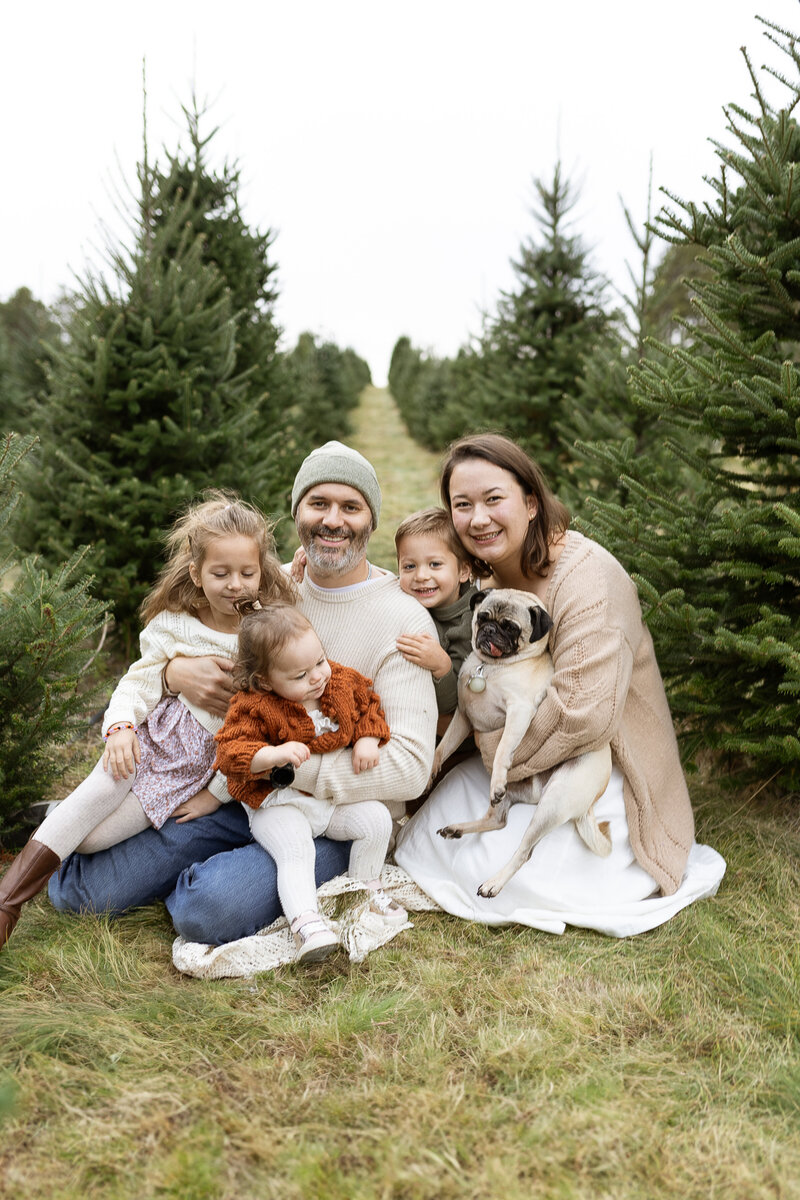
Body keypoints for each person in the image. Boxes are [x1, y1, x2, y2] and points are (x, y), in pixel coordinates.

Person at [47, 442, 437, 946]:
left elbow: (409, 767)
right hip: (235, 793)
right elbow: (191, 631)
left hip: (330, 811)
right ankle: (89, 828)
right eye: (318, 503)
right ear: (297, 514)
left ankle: (206, 870)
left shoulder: (402, 619)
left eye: (351, 507)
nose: (333, 521)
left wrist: (283, 767)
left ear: (371, 520)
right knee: (79, 893)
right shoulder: (273, 592)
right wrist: (173, 674)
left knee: (204, 910)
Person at [394, 433, 726, 937]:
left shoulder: (589, 578)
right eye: (462, 505)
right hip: (514, 745)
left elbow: (583, 714)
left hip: (598, 755)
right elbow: (415, 580)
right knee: (430, 845)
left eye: (493, 499)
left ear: (531, 502)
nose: (477, 518)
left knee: (540, 880)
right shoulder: (487, 579)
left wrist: (490, 748)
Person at [0, 491, 296, 950]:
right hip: (148, 740)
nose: (235, 585)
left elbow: (256, 730)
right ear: (196, 573)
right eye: (220, 573)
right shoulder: (175, 624)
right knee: (103, 786)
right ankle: (7, 904)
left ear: (263, 572)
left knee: (92, 840)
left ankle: (60, 817)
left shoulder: (265, 635)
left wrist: (213, 796)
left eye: (247, 573)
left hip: (190, 771)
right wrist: (119, 727)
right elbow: (138, 683)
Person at [215, 602, 407, 962]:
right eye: (301, 675)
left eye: (319, 661)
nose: (318, 677)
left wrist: (367, 737)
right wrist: (270, 755)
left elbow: (369, 705)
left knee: (377, 820)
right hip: (277, 804)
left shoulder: (340, 681)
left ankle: (365, 890)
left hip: (326, 803)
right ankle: (306, 924)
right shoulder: (253, 705)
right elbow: (229, 753)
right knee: (297, 850)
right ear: (265, 681)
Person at [394, 507, 478, 724]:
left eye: (435, 564)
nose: (421, 576)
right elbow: (377, 582)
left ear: (463, 571)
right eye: (409, 566)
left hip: (453, 733)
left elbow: (453, 703)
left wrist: (442, 666)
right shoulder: (407, 596)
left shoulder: (470, 623)